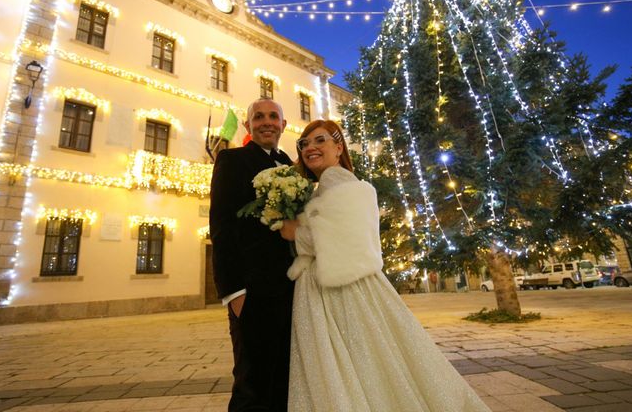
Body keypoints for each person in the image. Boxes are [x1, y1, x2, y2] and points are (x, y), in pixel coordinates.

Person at [280, 120, 491, 412]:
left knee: (349, 361)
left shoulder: (335, 179)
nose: (311, 148)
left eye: (320, 140)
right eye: (305, 144)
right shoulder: (329, 183)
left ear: (339, 147)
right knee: (369, 361)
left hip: (338, 288)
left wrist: (294, 233)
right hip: (338, 282)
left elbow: (343, 235)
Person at [209, 99, 294, 411]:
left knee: (284, 376)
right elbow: (220, 226)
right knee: (252, 381)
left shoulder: (291, 164)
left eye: (274, 116)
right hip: (253, 291)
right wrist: (233, 291)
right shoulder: (231, 161)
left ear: (284, 125)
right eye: (258, 117)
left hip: (292, 289)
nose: (267, 122)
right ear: (248, 126)